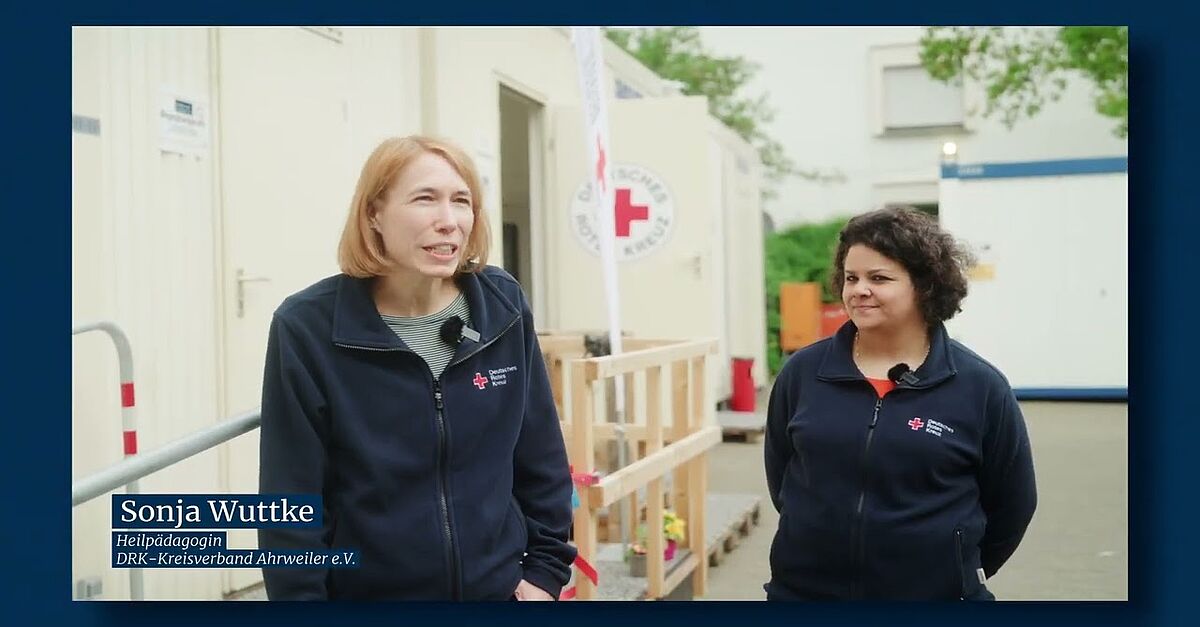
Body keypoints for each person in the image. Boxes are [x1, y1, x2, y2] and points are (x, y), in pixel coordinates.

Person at [258, 135, 576, 600]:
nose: (448, 221)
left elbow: (541, 451)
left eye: (461, 201)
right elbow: (290, 500)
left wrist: (545, 574)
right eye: (425, 199)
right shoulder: (307, 327)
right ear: (374, 214)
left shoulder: (502, 306)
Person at [763, 206, 1037, 600]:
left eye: (879, 278)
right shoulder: (804, 373)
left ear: (924, 286)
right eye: (851, 277)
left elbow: (1013, 504)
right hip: (804, 596)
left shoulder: (980, 386)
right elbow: (782, 479)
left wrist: (951, 567)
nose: (859, 289)